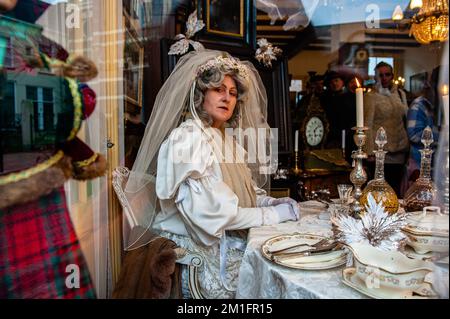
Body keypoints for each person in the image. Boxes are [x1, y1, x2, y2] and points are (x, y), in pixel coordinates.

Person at [124, 50, 300, 299]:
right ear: (201, 94)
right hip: (195, 251)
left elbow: (241, 193)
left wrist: (269, 202)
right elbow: (215, 214)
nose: (227, 98)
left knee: (288, 255)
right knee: (276, 275)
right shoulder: (187, 140)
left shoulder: (225, 140)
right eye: (218, 89)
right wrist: (273, 214)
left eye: (232, 93)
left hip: (222, 238)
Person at [364, 61, 409, 196]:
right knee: (380, 193)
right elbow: (367, 124)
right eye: (380, 75)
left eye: (387, 74)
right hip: (380, 152)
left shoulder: (401, 94)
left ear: (392, 76)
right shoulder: (371, 96)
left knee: (396, 192)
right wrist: (369, 151)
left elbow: (405, 118)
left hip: (400, 151)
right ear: (376, 77)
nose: (384, 78)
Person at [401, 66, 441, 194]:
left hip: (439, 169)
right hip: (421, 167)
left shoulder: (441, 105)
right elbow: (414, 134)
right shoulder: (419, 105)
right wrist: (443, 135)